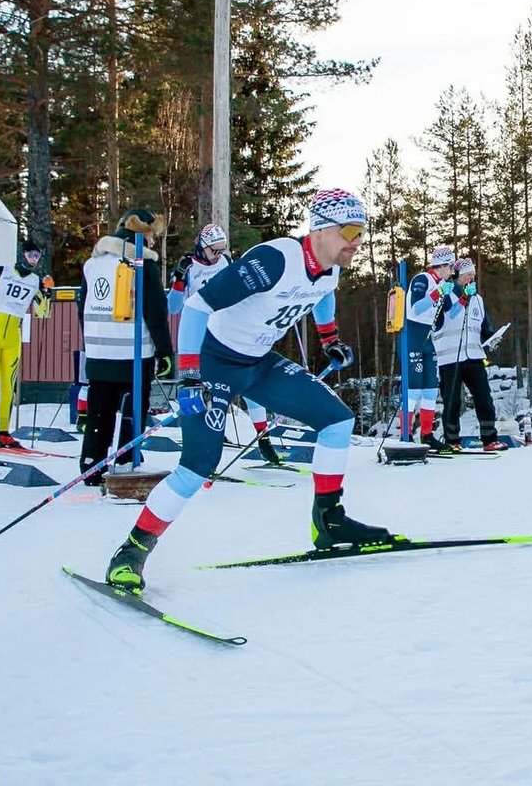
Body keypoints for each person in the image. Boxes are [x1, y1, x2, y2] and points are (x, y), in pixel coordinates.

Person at [106, 188, 387, 592]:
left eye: (362, 231)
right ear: (322, 229)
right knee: (197, 465)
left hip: (259, 362)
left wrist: (330, 339)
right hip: (215, 363)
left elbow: (324, 295)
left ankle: (329, 520)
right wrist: (189, 375)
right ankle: (131, 551)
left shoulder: (332, 267)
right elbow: (198, 305)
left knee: (337, 421)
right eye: (350, 230)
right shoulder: (274, 260)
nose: (357, 241)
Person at [168, 222, 285, 465]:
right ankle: (199, 451)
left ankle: (263, 439)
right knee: (202, 393)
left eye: (222, 251)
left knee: (249, 382)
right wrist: (178, 282)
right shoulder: (188, 266)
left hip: (226, 333)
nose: (217, 256)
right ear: (202, 247)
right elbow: (173, 308)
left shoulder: (225, 262)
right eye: (214, 251)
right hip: (199, 338)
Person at [79, 209, 173, 486]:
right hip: (133, 354)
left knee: (99, 409)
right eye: (153, 236)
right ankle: (127, 456)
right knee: (134, 407)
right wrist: (165, 352)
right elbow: (156, 313)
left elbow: (80, 305)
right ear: (142, 234)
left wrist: (90, 341)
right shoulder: (143, 265)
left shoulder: (92, 264)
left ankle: (91, 462)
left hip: (98, 353)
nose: (154, 242)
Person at [0, 239, 53, 448]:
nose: (33, 260)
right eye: (30, 255)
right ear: (21, 254)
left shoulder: (35, 280)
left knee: (9, 386)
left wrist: (48, 293)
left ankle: (4, 432)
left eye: (37, 256)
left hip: (13, 334)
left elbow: (43, 313)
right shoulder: (3, 270)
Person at [432, 258, 508, 452]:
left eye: (473, 275)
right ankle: (452, 440)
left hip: (474, 355)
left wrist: (492, 339)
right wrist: (461, 297)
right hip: (450, 357)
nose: (471, 279)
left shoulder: (478, 300)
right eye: (467, 275)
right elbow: (438, 322)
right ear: (458, 277)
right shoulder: (447, 296)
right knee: (452, 401)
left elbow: (485, 328)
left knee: (484, 398)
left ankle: (490, 439)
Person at [402, 244, 457, 451]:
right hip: (413, 335)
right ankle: (405, 434)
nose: (452, 272)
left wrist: (463, 297)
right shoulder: (423, 279)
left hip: (427, 338)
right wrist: (437, 293)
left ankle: (427, 435)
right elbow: (416, 308)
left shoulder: (442, 284)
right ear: (441, 266)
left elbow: (451, 313)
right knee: (413, 389)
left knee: (431, 389)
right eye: (450, 267)